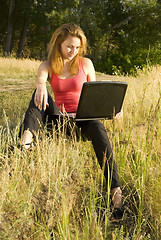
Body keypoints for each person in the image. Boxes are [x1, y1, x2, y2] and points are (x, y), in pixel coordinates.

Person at [20, 23, 123, 218]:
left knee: (97, 126)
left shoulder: (86, 64)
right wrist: (41, 85)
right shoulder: (48, 64)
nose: (73, 51)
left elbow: (98, 94)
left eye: (77, 47)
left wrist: (114, 108)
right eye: (69, 46)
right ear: (59, 43)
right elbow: (40, 78)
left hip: (83, 121)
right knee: (38, 94)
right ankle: (25, 142)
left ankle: (115, 190)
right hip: (59, 122)